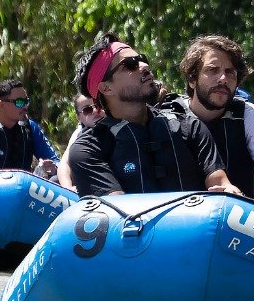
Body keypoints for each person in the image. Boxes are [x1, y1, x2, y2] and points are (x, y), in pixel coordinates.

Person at [65, 33, 238, 196]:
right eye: (130, 65)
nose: (144, 66)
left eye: (142, 59)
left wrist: (229, 191)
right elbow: (115, 213)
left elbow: (220, 182)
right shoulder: (86, 151)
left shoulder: (191, 127)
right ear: (106, 88)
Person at [173, 35, 254, 216]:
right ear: (192, 79)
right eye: (212, 70)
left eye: (230, 72)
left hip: (241, 220)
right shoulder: (169, 119)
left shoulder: (251, 116)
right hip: (182, 219)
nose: (223, 78)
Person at [0, 79, 61, 179]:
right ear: (1, 104)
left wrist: (53, 167)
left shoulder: (30, 127)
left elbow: (55, 160)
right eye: (20, 102)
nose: (25, 106)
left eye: (26, 101)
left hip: (24, 188)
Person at [56, 93, 104, 190]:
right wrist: (68, 189)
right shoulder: (79, 134)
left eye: (98, 105)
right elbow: (64, 164)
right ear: (78, 117)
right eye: (87, 110)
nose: (95, 111)